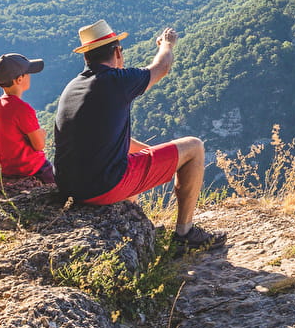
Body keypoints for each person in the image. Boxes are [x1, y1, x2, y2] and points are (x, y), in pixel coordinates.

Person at [54, 19, 224, 249]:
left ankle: (140, 228)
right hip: (102, 186)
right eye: (120, 51)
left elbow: (102, 138)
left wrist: (151, 153)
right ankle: (185, 233)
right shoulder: (115, 81)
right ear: (117, 52)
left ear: (86, 57)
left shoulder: (73, 86)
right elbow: (161, 68)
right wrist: (166, 44)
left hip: (70, 186)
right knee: (193, 147)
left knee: (132, 163)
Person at [0, 52, 55, 184]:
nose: (30, 76)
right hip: (31, 167)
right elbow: (39, 145)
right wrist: (41, 134)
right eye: (28, 73)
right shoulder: (22, 109)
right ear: (19, 79)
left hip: (9, 168)